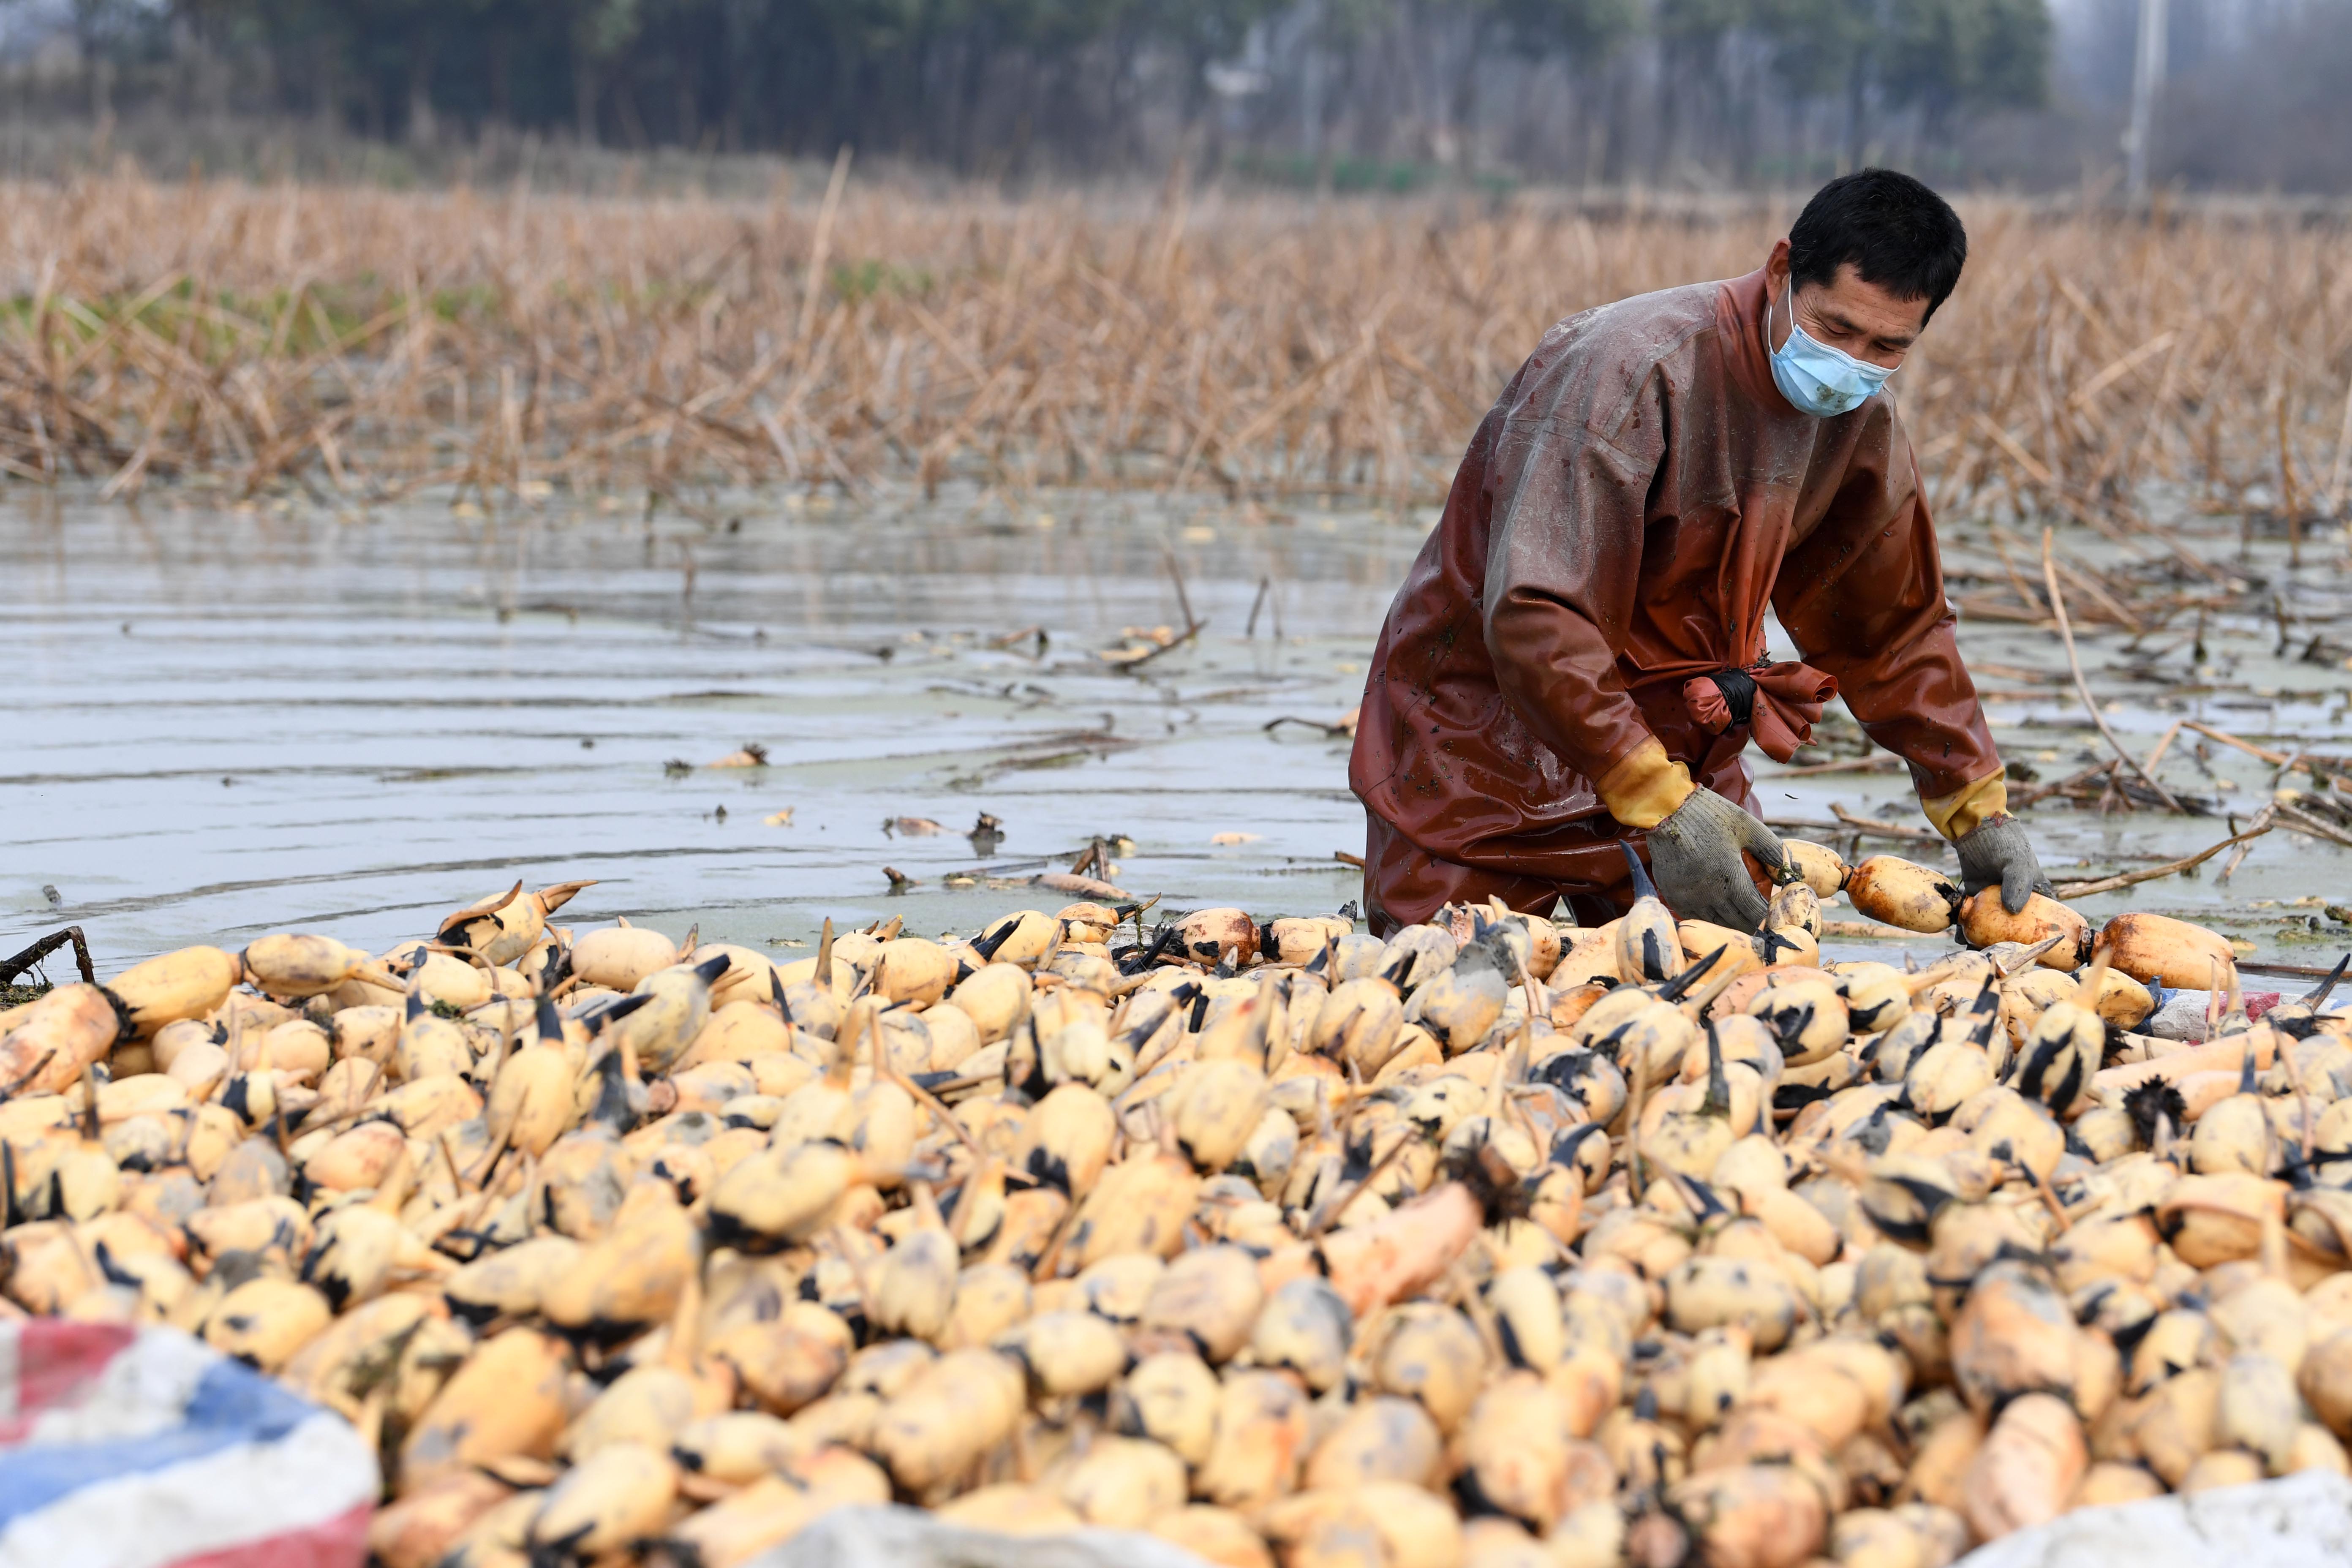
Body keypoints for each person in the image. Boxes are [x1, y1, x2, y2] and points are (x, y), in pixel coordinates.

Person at [1349, 168, 2048, 935]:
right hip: (1486, 749)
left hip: (1683, 762)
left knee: (1727, 1003)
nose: (1852, 362)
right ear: (1783, 270)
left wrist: (1973, 804)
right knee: (1442, 1003)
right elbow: (1535, 616)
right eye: (1835, 329)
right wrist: (1657, 796)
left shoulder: (1858, 418)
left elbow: (1892, 627)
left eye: (1887, 346)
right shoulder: (1632, 370)